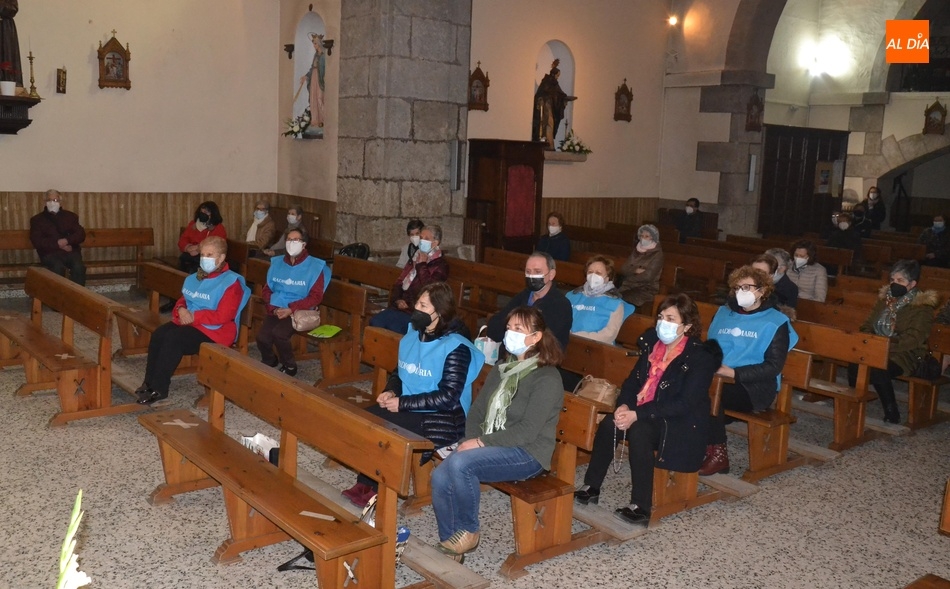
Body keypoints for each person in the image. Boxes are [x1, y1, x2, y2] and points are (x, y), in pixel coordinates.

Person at [573, 294, 720, 526]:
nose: (663, 323)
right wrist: (624, 405)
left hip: (680, 422)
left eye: (671, 319)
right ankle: (591, 486)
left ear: (687, 326)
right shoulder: (653, 346)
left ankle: (640, 506)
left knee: (640, 430)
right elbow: (632, 383)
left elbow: (684, 403)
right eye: (661, 317)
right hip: (649, 412)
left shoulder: (699, 357)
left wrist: (637, 414)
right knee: (611, 423)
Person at [431, 306, 564, 561]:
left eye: (518, 329)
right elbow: (478, 410)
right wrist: (469, 440)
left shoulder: (547, 378)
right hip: (495, 443)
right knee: (440, 476)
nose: (510, 333)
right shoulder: (503, 367)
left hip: (527, 453)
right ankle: (451, 543)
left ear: (536, 337)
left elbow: (527, 431)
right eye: (509, 327)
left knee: (460, 464)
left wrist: (480, 442)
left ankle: (469, 531)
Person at [342, 282, 484, 508]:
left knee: (387, 430)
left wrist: (402, 403)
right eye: (417, 303)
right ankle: (365, 482)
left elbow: (448, 397)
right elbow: (400, 372)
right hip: (410, 405)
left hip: (445, 417)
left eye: (423, 306)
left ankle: (379, 489)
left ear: (440, 312)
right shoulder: (413, 335)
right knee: (366, 420)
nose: (416, 309)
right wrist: (391, 391)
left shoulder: (456, 347)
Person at [699, 265, 797, 475]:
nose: (740, 292)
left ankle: (718, 455)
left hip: (754, 387)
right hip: (718, 378)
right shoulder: (724, 313)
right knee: (691, 386)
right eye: (737, 288)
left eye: (746, 287)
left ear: (762, 291)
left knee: (709, 394)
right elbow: (711, 346)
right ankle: (693, 444)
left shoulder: (776, 321)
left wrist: (734, 373)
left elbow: (773, 367)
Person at [136, 236, 251, 405]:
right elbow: (186, 298)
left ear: (221, 258)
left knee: (173, 339)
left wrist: (193, 316)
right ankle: (149, 382)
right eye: (203, 254)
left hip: (216, 331)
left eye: (210, 255)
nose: (205, 259)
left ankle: (159, 388)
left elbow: (223, 316)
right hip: (193, 322)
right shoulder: (200, 275)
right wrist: (181, 309)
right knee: (159, 334)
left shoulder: (231, 282)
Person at [849, 260, 938, 424]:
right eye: (892, 280)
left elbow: (914, 338)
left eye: (900, 280)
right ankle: (852, 405)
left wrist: (885, 346)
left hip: (906, 353)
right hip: (877, 346)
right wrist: (871, 341)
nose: (894, 284)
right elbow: (867, 325)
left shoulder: (922, 307)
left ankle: (892, 411)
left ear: (912, 284)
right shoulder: (885, 300)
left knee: (878, 368)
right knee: (855, 362)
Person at [256, 228, 330, 377]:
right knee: (262, 337)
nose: (291, 243)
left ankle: (289, 365)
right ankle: (270, 360)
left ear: (304, 244)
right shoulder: (277, 263)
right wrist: (273, 308)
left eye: (296, 240)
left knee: (279, 334)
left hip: (300, 310)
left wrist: (291, 309)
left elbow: (316, 297)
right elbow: (267, 289)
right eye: (289, 239)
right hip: (277, 307)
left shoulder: (315, 267)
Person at [486, 251, 572, 351]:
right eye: (528, 272)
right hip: (509, 356)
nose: (531, 276)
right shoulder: (523, 296)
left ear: (551, 274)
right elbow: (493, 328)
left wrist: (511, 332)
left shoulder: (560, 305)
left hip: (540, 358)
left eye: (537, 272)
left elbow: (543, 342)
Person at [370, 225, 448, 334]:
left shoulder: (440, 265)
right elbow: (400, 281)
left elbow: (429, 289)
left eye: (426, 239)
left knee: (394, 328)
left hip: (417, 311)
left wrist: (422, 265)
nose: (422, 241)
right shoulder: (415, 257)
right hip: (400, 307)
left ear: (435, 243)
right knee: (376, 322)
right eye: (421, 238)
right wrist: (397, 299)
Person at [565, 255, 636, 344]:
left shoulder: (615, 303)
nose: (593, 276)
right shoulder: (572, 295)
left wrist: (576, 337)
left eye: (598, 273)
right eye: (590, 272)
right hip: (566, 341)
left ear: (607, 277)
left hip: (595, 346)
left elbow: (609, 335)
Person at [29, 189, 86, 286]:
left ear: (60, 202)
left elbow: (80, 234)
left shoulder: (70, 217)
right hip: (50, 253)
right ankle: (56, 294)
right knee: (57, 268)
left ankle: (78, 293)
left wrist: (67, 241)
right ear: (45, 202)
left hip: (70, 251)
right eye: (49, 200)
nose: (52, 203)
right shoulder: (37, 220)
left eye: (55, 200)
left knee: (79, 267)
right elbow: (37, 241)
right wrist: (58, 244)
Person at [532, 59, 576, 149]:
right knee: (547, 124)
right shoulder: (548, 82)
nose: (558, 77)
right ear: (554, 74)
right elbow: (543, 94)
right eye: (557, 75)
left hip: (550, 107)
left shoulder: (553, 83)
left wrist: (564, 99)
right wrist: (563, 98)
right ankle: (547, 143)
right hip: (545, 108)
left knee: (550, 124)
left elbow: (559, 94)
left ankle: (549, 144)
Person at [618, 224, 664, 308]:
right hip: (629, 286)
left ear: (653, 238)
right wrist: (635, 270)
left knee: (623, 300)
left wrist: (629, 277)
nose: (643, 238)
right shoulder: (637, 250)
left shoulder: (657, 254)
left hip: (646, 289)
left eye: (647, 236)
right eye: (642, 236)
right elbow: (624, 269)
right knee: (613, 298)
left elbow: (648, 276)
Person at [178, 201, 226, 274]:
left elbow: (216, 246)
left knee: (195, 271)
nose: (203, 213)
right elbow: (183, 239)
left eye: (207, 212)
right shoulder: (193, 224)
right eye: (202, 211)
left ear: (213, 214)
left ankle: (196, 279)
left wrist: (198, 249)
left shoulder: (218, 228)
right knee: (182, 262)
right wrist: (188, 248)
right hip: (190, 256)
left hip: (207, 260)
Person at [300, 33, 326, 130]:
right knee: (313, 98)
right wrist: (306, 76)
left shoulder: (323, 56)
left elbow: (325, 69)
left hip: (320, 78)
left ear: (319, 44)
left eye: (315, 43)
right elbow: (312, 68)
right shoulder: (316, 55)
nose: (314, 45)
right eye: (313, 43)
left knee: (320, 98)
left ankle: (323, 119)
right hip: (314, 77)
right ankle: (315, 120)